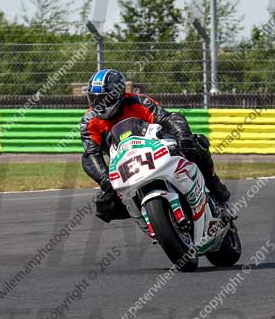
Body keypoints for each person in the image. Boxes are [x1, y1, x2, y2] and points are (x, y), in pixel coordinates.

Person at [80, 69, 231, 223]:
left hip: (155, 147)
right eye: (95, 99)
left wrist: (182, 135)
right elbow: (91, 154)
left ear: (118, 94)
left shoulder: (139, 102)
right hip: (123, 162)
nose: (99, 105)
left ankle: (218, 193)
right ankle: (150, 218)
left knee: (195, 145)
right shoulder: (89, 121)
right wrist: (105, 179)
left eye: (104, 99)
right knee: (104, 206)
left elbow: (167, 118)